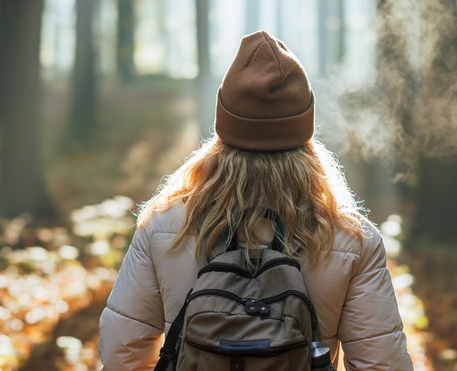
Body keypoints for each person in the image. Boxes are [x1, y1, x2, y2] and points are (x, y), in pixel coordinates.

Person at [98, 30, 414, 370]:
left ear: (224, 125)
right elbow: (382, 363)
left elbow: (122, 353)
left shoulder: (165, 226)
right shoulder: (351, 238)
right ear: (305, 130)